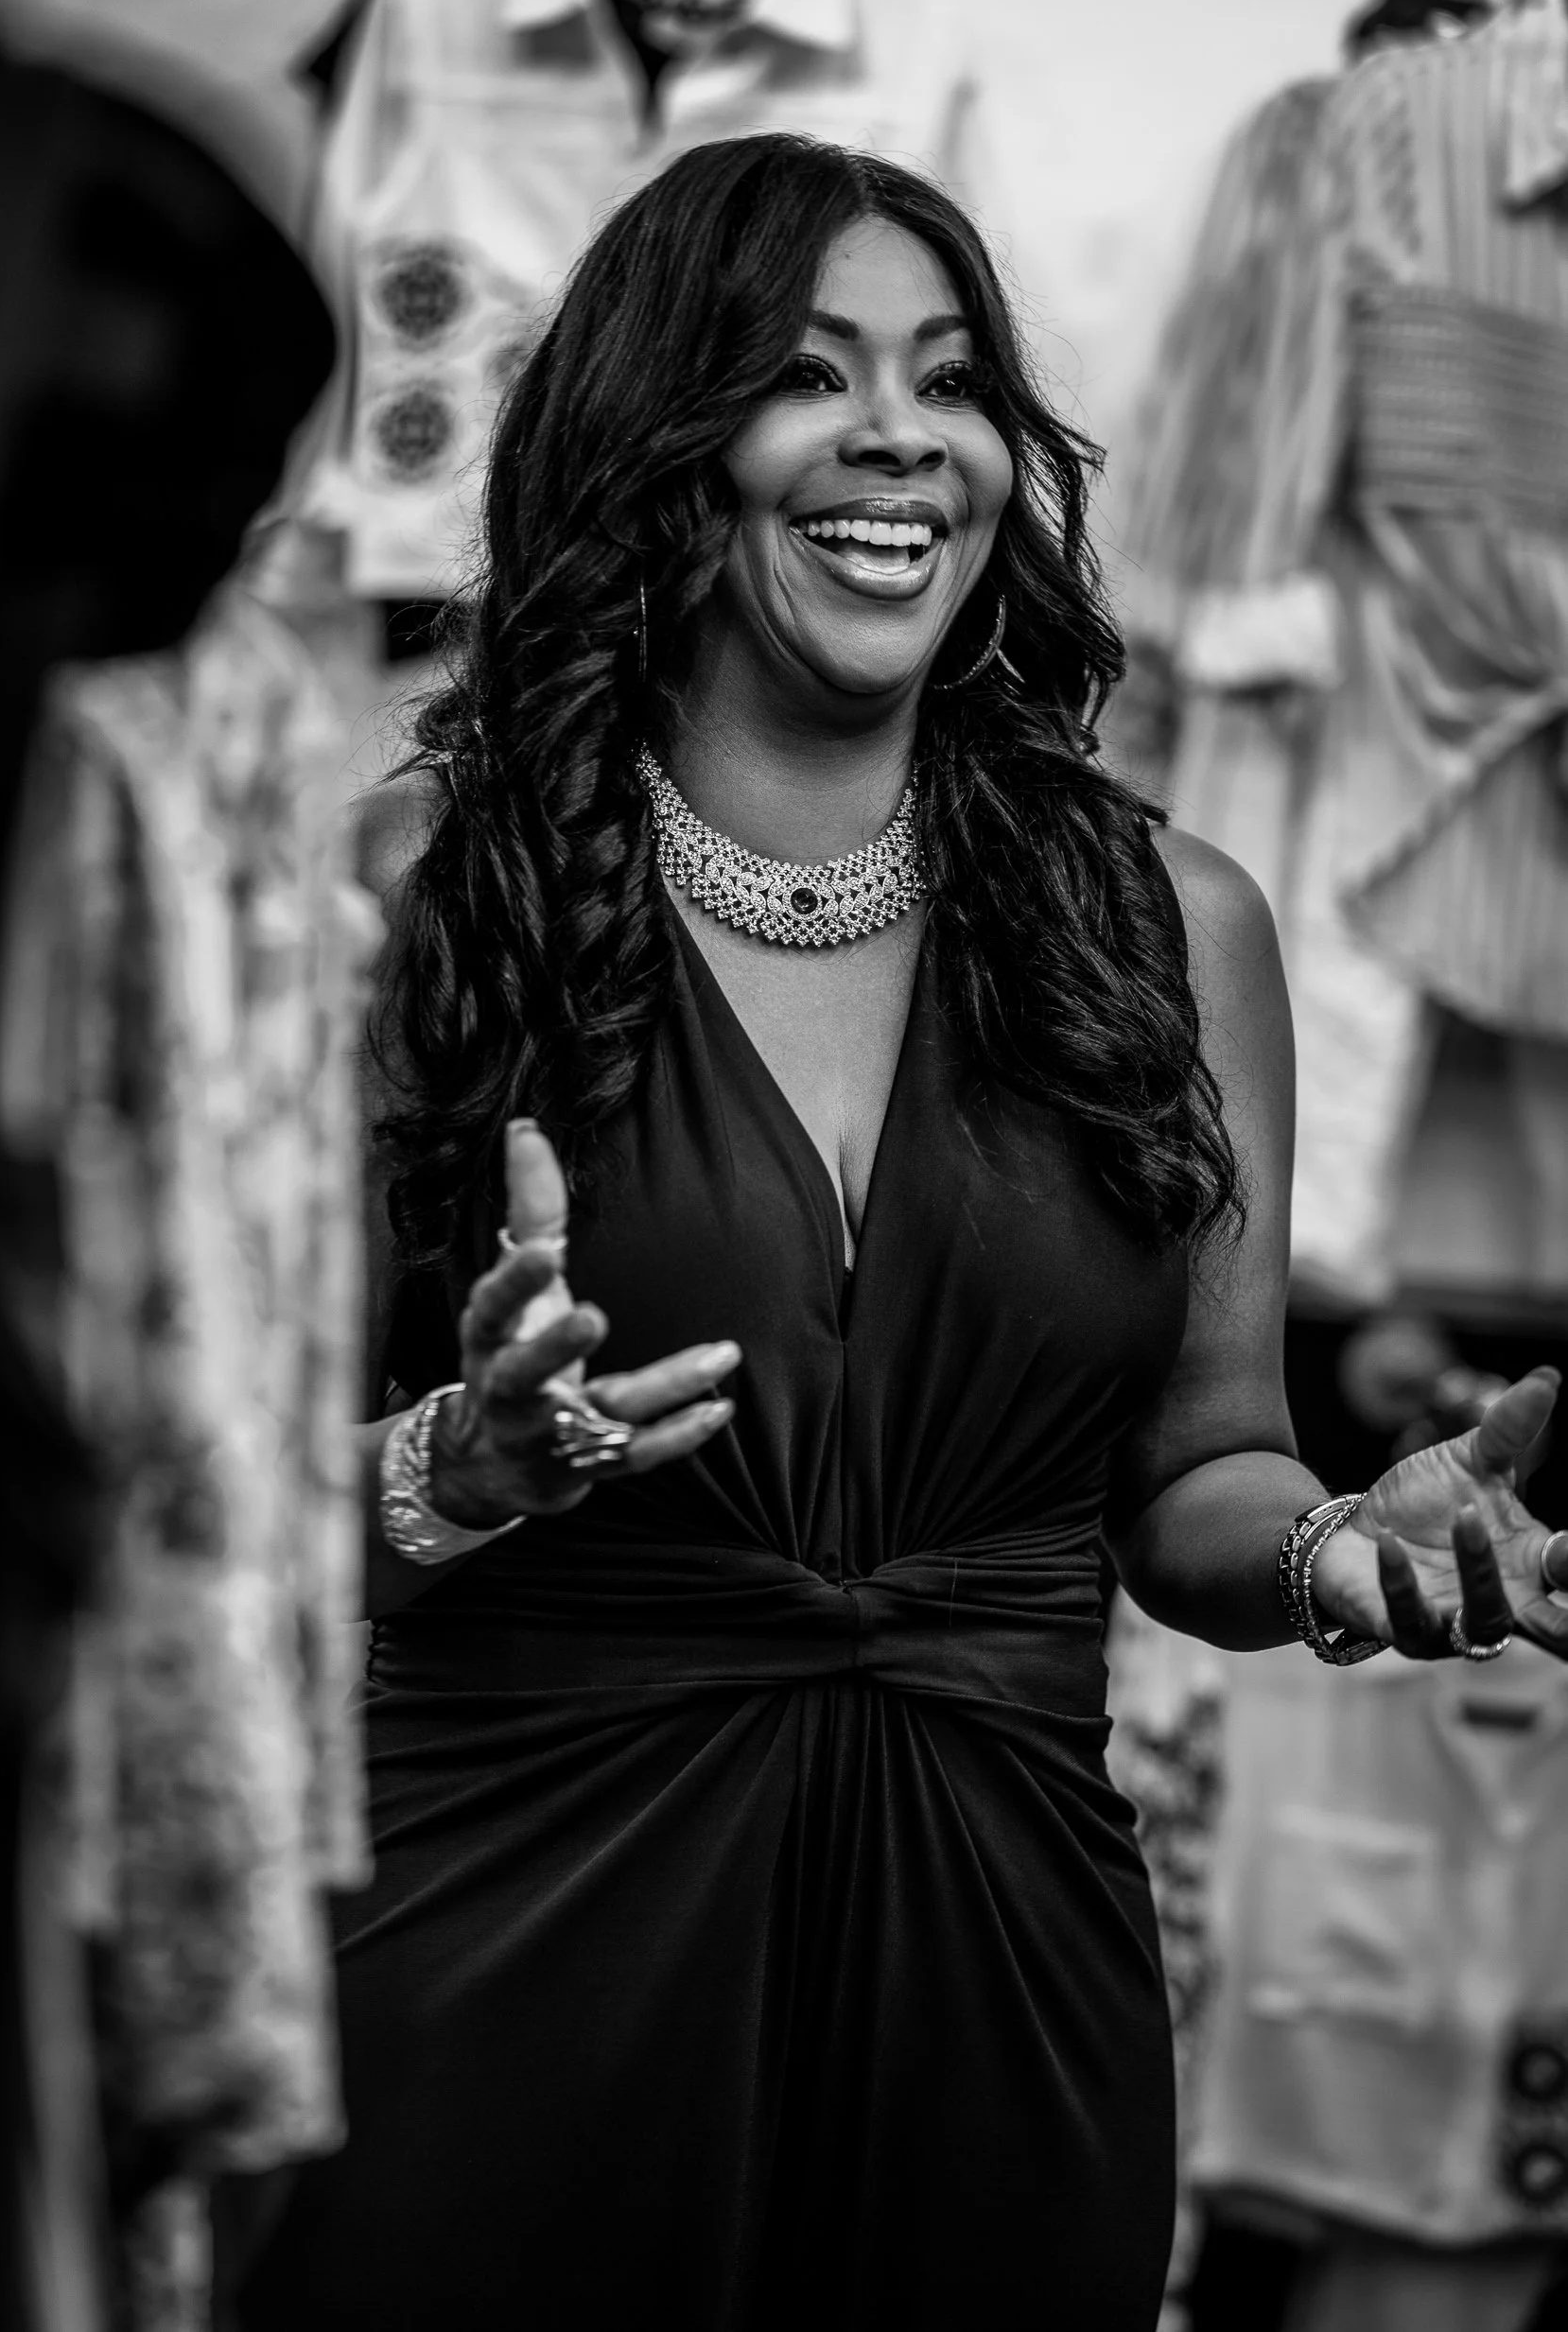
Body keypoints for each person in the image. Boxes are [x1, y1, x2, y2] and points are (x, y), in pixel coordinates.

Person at [241, 133, 1568, 2332]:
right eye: (807, 372)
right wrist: (435, 1471)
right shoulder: (393, 901)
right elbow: (196, 1533)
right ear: (658, 445)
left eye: (946, 382)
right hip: (504, 1926)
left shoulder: (1165, 925)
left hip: (1001, 1961)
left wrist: (1342, 1548)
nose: (895, 436)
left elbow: (1192, 1480)